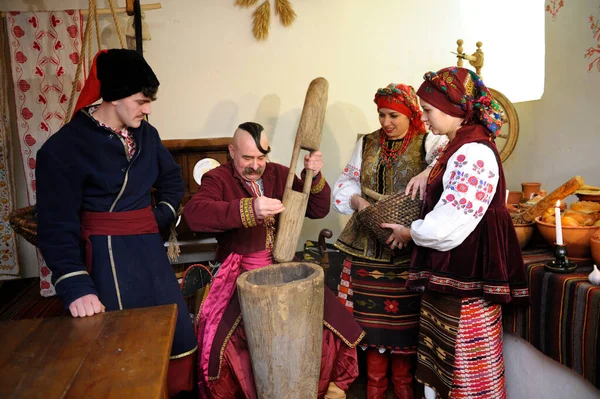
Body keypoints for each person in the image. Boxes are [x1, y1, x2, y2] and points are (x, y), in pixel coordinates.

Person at [36, 49, 197, 397]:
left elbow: (171, 180)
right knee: (121, 349)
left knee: (179, 335)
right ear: (113, 97)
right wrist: (76, 286)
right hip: (105, 262)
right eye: (142, 100)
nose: (148, 108)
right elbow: (55, 225)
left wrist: (160, 216)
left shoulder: (147, 136)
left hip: (150, 254)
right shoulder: (62, 149)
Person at [183, 122, 365, 399]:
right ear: (231, 151)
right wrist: (249, 208)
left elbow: (317, 209)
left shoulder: (280, 173)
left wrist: (312, 175)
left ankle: (327, 389)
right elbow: (195, 215)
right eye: (247, 158)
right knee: (226, 345)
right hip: (237, 273)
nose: (256, 166)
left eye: (261, 157)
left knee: (333, 322)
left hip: (285, 268)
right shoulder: (217, 179)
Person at [385, 67, 529, 399]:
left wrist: (411, 232)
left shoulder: (474, 153)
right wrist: (426, 172)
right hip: (452, 279)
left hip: (467, 281)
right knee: (447, 368)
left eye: (430, 110)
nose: (425, 117)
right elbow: (441, 164)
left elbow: (448, 225)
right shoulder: (458, 146)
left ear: (454, 110)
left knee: (467, 374)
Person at [332, 83, 448, 398]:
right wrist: (358, 202)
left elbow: (454, 158)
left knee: (406, 330)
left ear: (411, 114)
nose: (386, 122)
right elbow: (345, 184)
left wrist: (429, 172)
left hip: (409, 248)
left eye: (393, 115)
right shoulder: (367, 143)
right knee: (370, 327)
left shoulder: (431, 141)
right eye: (382, 114)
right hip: (367, 247)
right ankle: (374, 388)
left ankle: (403, 389)